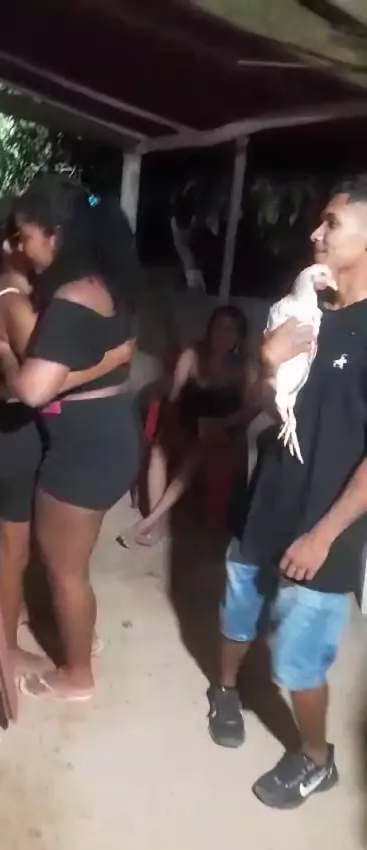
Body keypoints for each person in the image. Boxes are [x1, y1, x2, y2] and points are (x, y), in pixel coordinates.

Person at [208, 176, 367, 809]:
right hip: (267, 499)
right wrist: (267, 362)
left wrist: (324, 535)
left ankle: (316, 759)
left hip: (327, 526)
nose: (316, 233)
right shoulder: (301, 310)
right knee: (236, 609)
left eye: (333, 223)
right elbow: (257, 405)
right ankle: (223, 690)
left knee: (299, 660)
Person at [0, 176, 142, 701]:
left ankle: (76, 675)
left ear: (55, 235)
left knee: (65, 571)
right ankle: (79, 648)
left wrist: (4, 360)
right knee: (74, 565)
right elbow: (112, 357)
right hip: (112, 433)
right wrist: (109, 360)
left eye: (26, 235)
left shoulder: (72, 298)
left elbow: (33, 389)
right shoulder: (109, 287)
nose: (21, 246)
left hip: (82, 448)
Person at [118, 306, 259, 547]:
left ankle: (150, 521)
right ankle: (160, 522)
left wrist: (221, 424)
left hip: (223, 427)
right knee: (158, 451)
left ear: (239, 336)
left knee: (196, 454)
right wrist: (171, 423)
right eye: (218, 326)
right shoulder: (192, 354)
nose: (222, 334)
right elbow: (174, 395)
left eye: (230, 329)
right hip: (189, 421)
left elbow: (251, 408)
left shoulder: (245, 366)